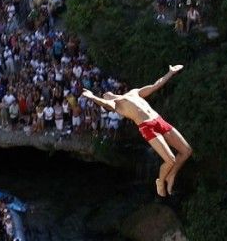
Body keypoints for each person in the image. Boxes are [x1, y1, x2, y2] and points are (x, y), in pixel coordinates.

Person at [82, 65, 192, 196]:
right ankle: (160, 181)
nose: (105, 95)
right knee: (170, 160)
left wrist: (170, 73)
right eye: (104, 96)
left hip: (159, 120)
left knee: (186, 151)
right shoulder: (117, 105)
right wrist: (92, 97)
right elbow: (105, 104)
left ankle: (171, 175)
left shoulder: (133, 92)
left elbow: (155, 86)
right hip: (147, 127)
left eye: (105, 94)